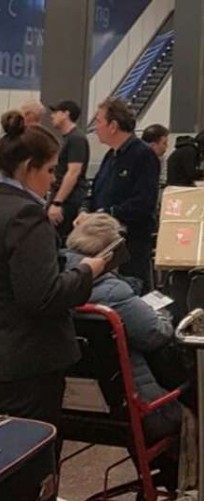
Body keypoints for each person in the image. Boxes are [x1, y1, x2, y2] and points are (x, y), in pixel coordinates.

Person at [0, 110, 105, 426]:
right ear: (27, 169)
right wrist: (88, 271)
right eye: (49, 170)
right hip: (25, 363)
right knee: (26, 462)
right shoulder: (26, 216)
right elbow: (42, 296)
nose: (53, 180)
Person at [64, 213, 183, 491]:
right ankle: (176, 476)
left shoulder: (54, 283)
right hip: (135, 409)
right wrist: (165, 315)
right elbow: (154, 335)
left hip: (76, 408)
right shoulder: (112, 291)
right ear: (109, 253)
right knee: (192, 401)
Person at [87, 98, 162, 293]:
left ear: (113, 126)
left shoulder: (143, 155)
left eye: (98, 121)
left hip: (131, 244)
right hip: (104, 240)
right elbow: (97, 190)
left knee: (131, 291)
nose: (95, 127)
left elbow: (145, 202)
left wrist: (108, 212)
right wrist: (85, 210)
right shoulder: (111, 156)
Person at [47, 100, 89, 241]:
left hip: (68, 201)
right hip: (64, 198)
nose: (52, 116)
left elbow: (73, 172)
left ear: (66, 114)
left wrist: (57, 202)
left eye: (56, 112)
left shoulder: (76, 139)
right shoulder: (68, 139)